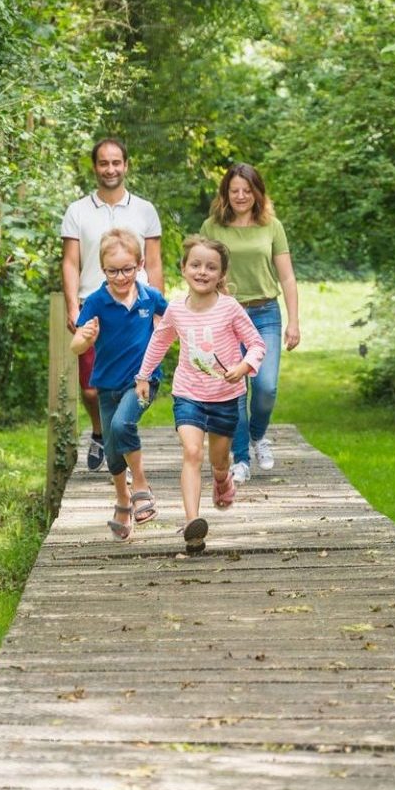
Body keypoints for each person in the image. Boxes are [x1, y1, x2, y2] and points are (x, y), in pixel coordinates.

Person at [135, 236, 265, 555]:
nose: (202, 272)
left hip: (224, 396)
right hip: (188, 395)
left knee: (219, 462)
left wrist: (244, 365)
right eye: (195, 265)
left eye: (211, 267)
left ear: (221, 275)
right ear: (183, 269)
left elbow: (257, 344)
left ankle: (222, 481)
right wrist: (142, 375)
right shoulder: (177, 309)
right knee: (192, 452)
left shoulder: (230, 308)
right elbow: (159, 342)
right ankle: (193, 524)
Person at [61, 138, 164, 472]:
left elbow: (155, 262)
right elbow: (70, 262)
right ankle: (100, 432)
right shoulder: (77, 211)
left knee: (135, 381)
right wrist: (72, 307)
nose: (110, 169)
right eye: (104, 163)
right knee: (92, 390)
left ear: (126, 165)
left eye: (116, 162)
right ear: (95, 167)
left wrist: (158, 312)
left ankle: (121, 436)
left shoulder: (145, 210)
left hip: (137, 307)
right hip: (95, 305)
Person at [198, 163, 300, 483]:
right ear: (226, 194)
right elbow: (200, 271)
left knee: (266, 387)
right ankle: (240, 458)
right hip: (227, 316)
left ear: (258, 193)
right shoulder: (212, 227)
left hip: (265, 313)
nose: (241, 196)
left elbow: (286, 275)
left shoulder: (272, 226)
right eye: (234, 190)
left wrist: (293, 322)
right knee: (235, 389)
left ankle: (257, 436)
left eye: (247, 190)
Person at [70, 229, 167, 540]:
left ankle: (140, 485)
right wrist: (84, 338)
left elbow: (176, 320)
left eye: (127, 269)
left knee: (123, 426)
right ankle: (123, 502)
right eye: (113, 270)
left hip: (143, 381)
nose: (121, 276)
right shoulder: (97, 301)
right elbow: (76, 345)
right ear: (103, 269)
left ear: (140, 264)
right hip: (107, 385)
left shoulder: (150, 297)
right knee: (112, 452)